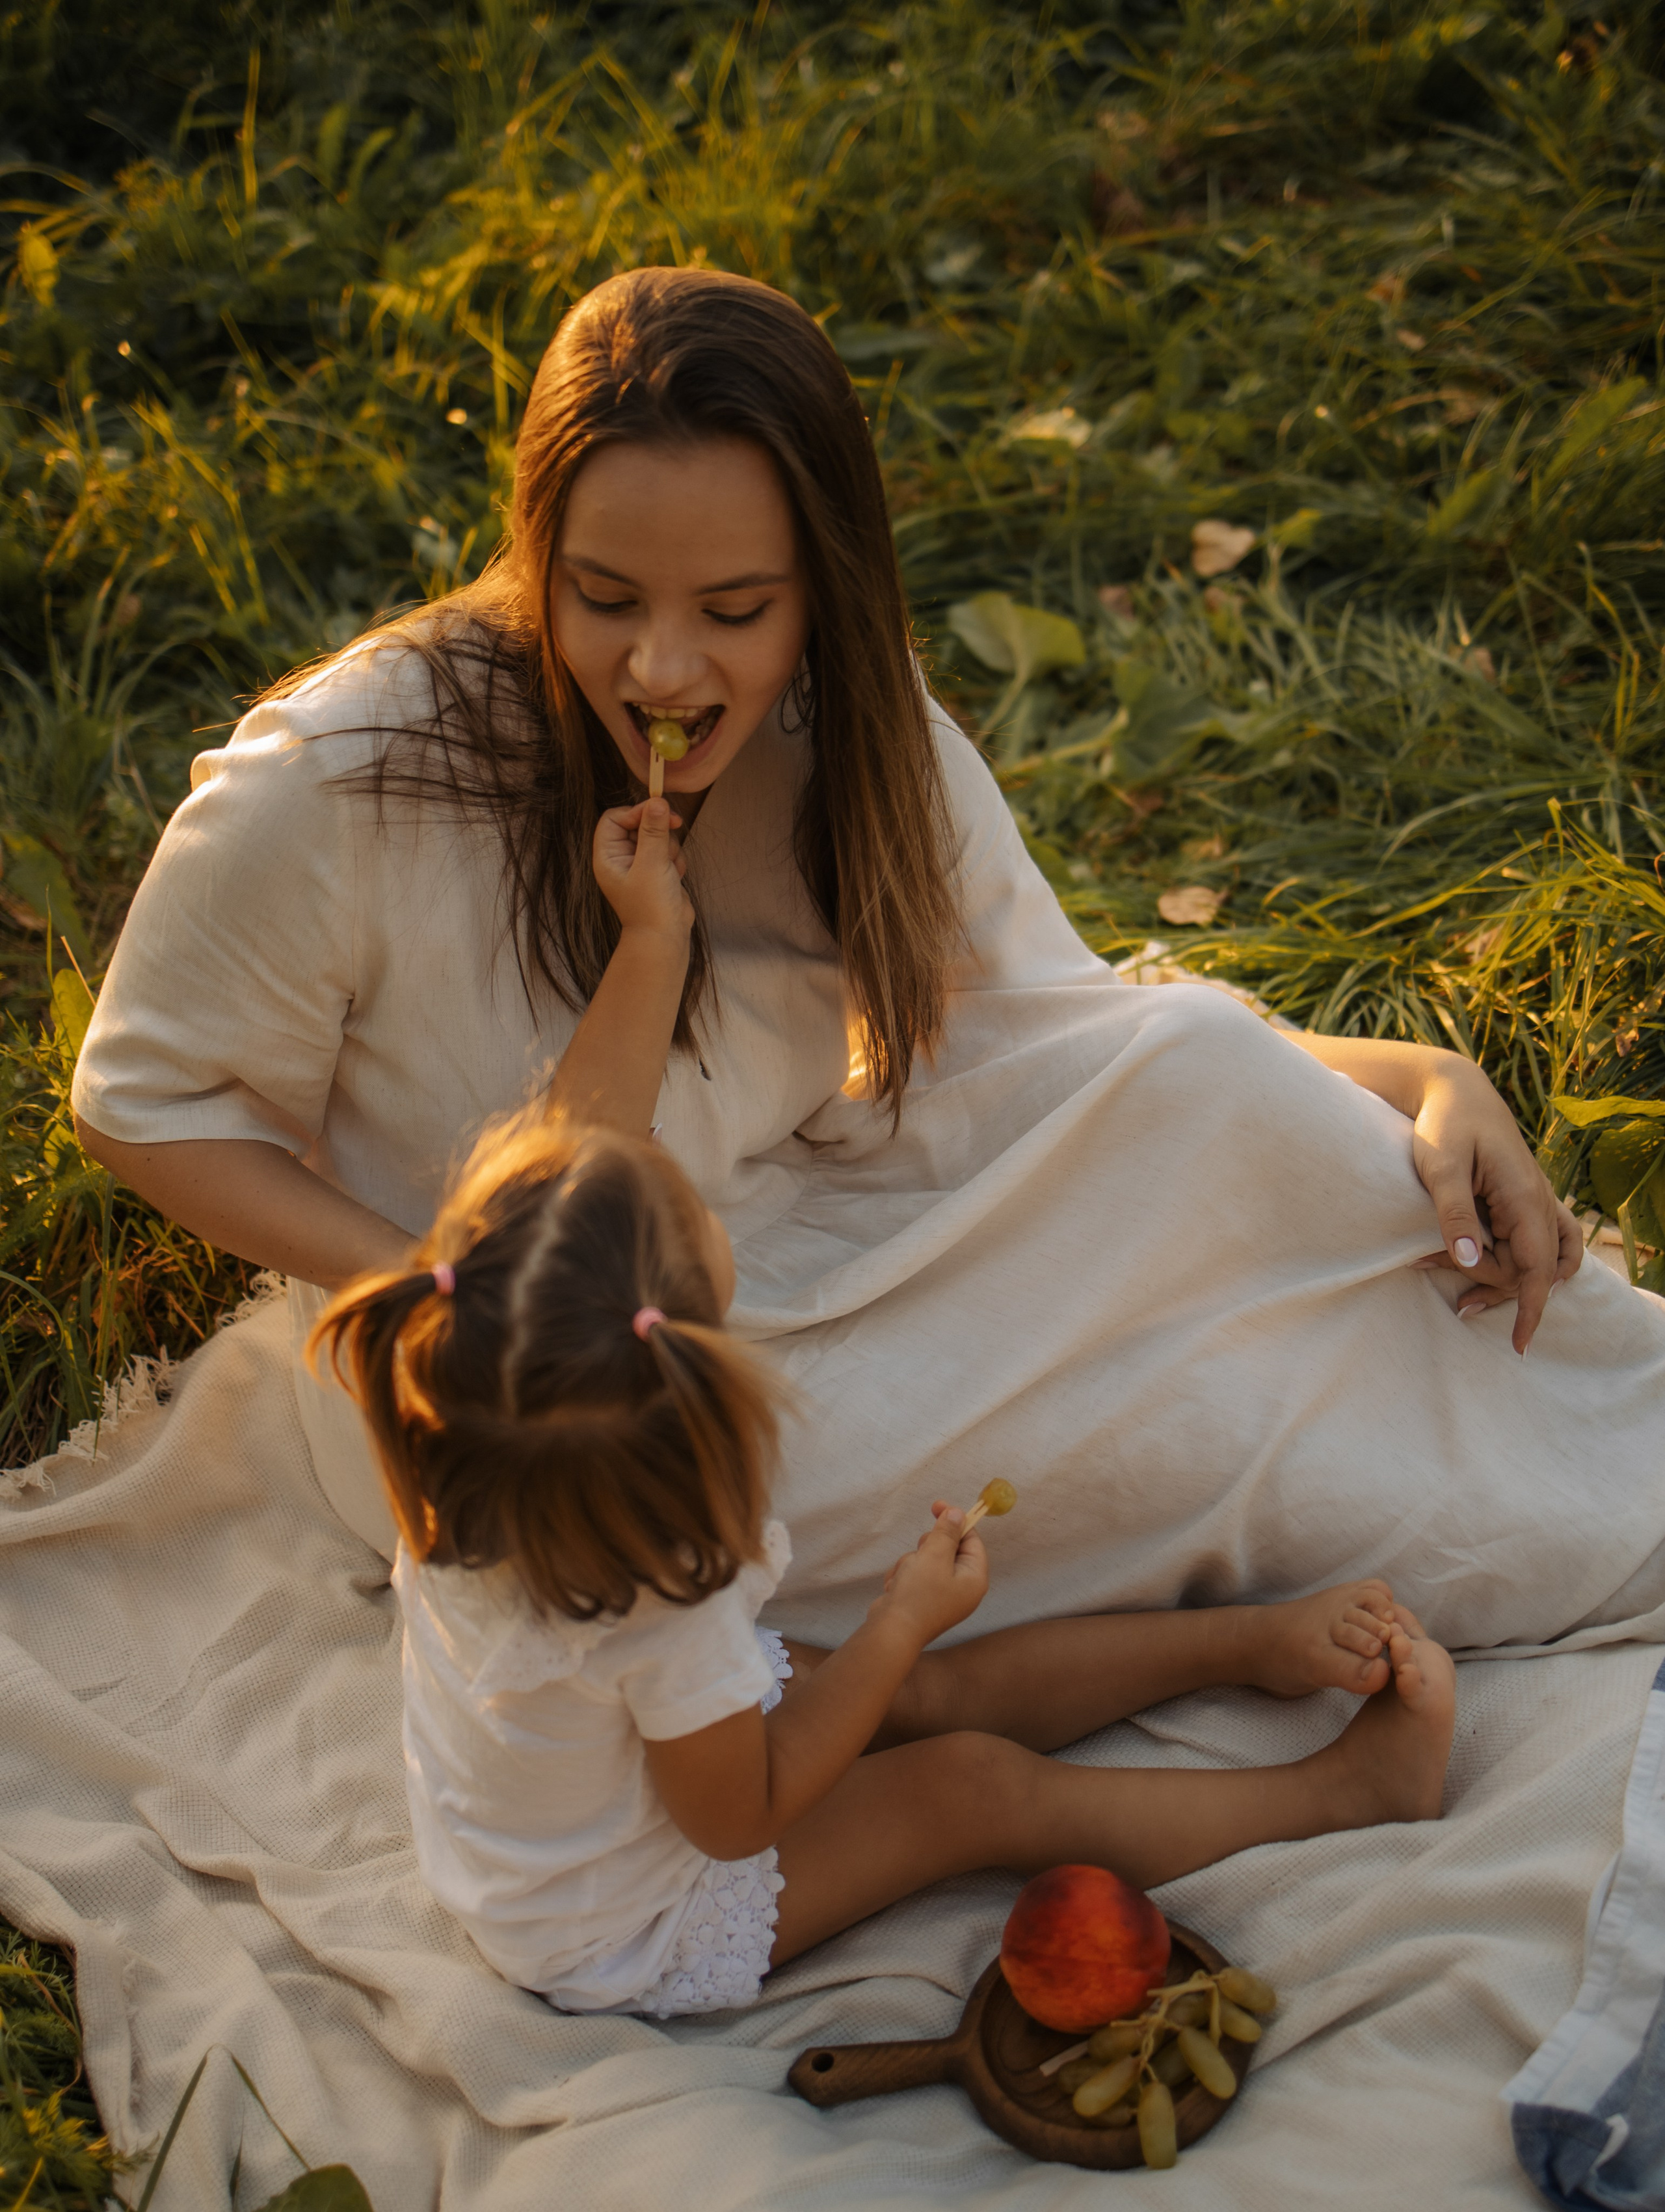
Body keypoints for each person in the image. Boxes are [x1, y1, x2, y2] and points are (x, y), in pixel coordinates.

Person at [70, 264, 1665, 1659]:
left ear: (821, 590)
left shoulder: (854, 733)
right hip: (524, 1398)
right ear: (535, 552)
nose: (668, 668)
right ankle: (1416, 1531)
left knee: (1224, 1095)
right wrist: (432, 1290)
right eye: (605, 598)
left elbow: (1065, 1032)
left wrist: (1419, 1076)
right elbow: (143, 1103)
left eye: (737, 609)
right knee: (1115, 1441)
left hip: (796, 1247)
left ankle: (1603, 1460)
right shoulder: (352, 774)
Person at [312, 1099, 1455, 2018]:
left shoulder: (460, 1439)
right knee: (967, 1779)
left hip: (573, 1820)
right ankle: (1340, 1791)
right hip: (624, 1920)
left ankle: (1241, 1640)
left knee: (917, 1692)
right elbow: (735, 1817)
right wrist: (899, 1620)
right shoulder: (664, 1597)